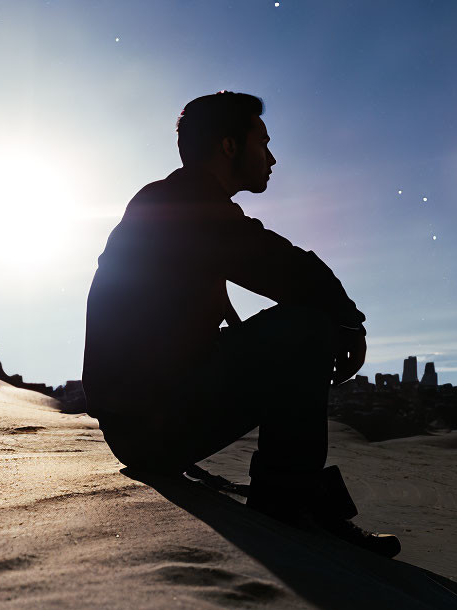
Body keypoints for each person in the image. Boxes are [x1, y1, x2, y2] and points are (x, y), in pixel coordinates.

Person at [82, 92, 400, 558]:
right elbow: (278, 266)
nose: (272, 158)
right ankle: (289, 508)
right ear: (230, 146)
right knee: (306, 328)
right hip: (150, 427)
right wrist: (348, 320)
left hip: (145, 420)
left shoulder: (174, 201)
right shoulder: (184, 202)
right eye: (263, 142)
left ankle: (296, 495)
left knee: (299, 326)